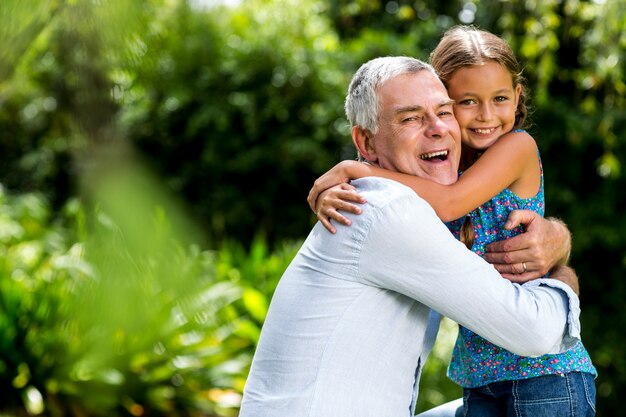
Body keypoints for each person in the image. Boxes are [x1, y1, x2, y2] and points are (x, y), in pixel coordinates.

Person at [238, 56, 581, 417]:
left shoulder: (407, 206)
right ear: (366, 144)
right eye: (411, 118)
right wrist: (564, 277)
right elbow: (534, 332)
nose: (437, 129)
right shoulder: (386, 211)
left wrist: (557, 237)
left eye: (444, 112)